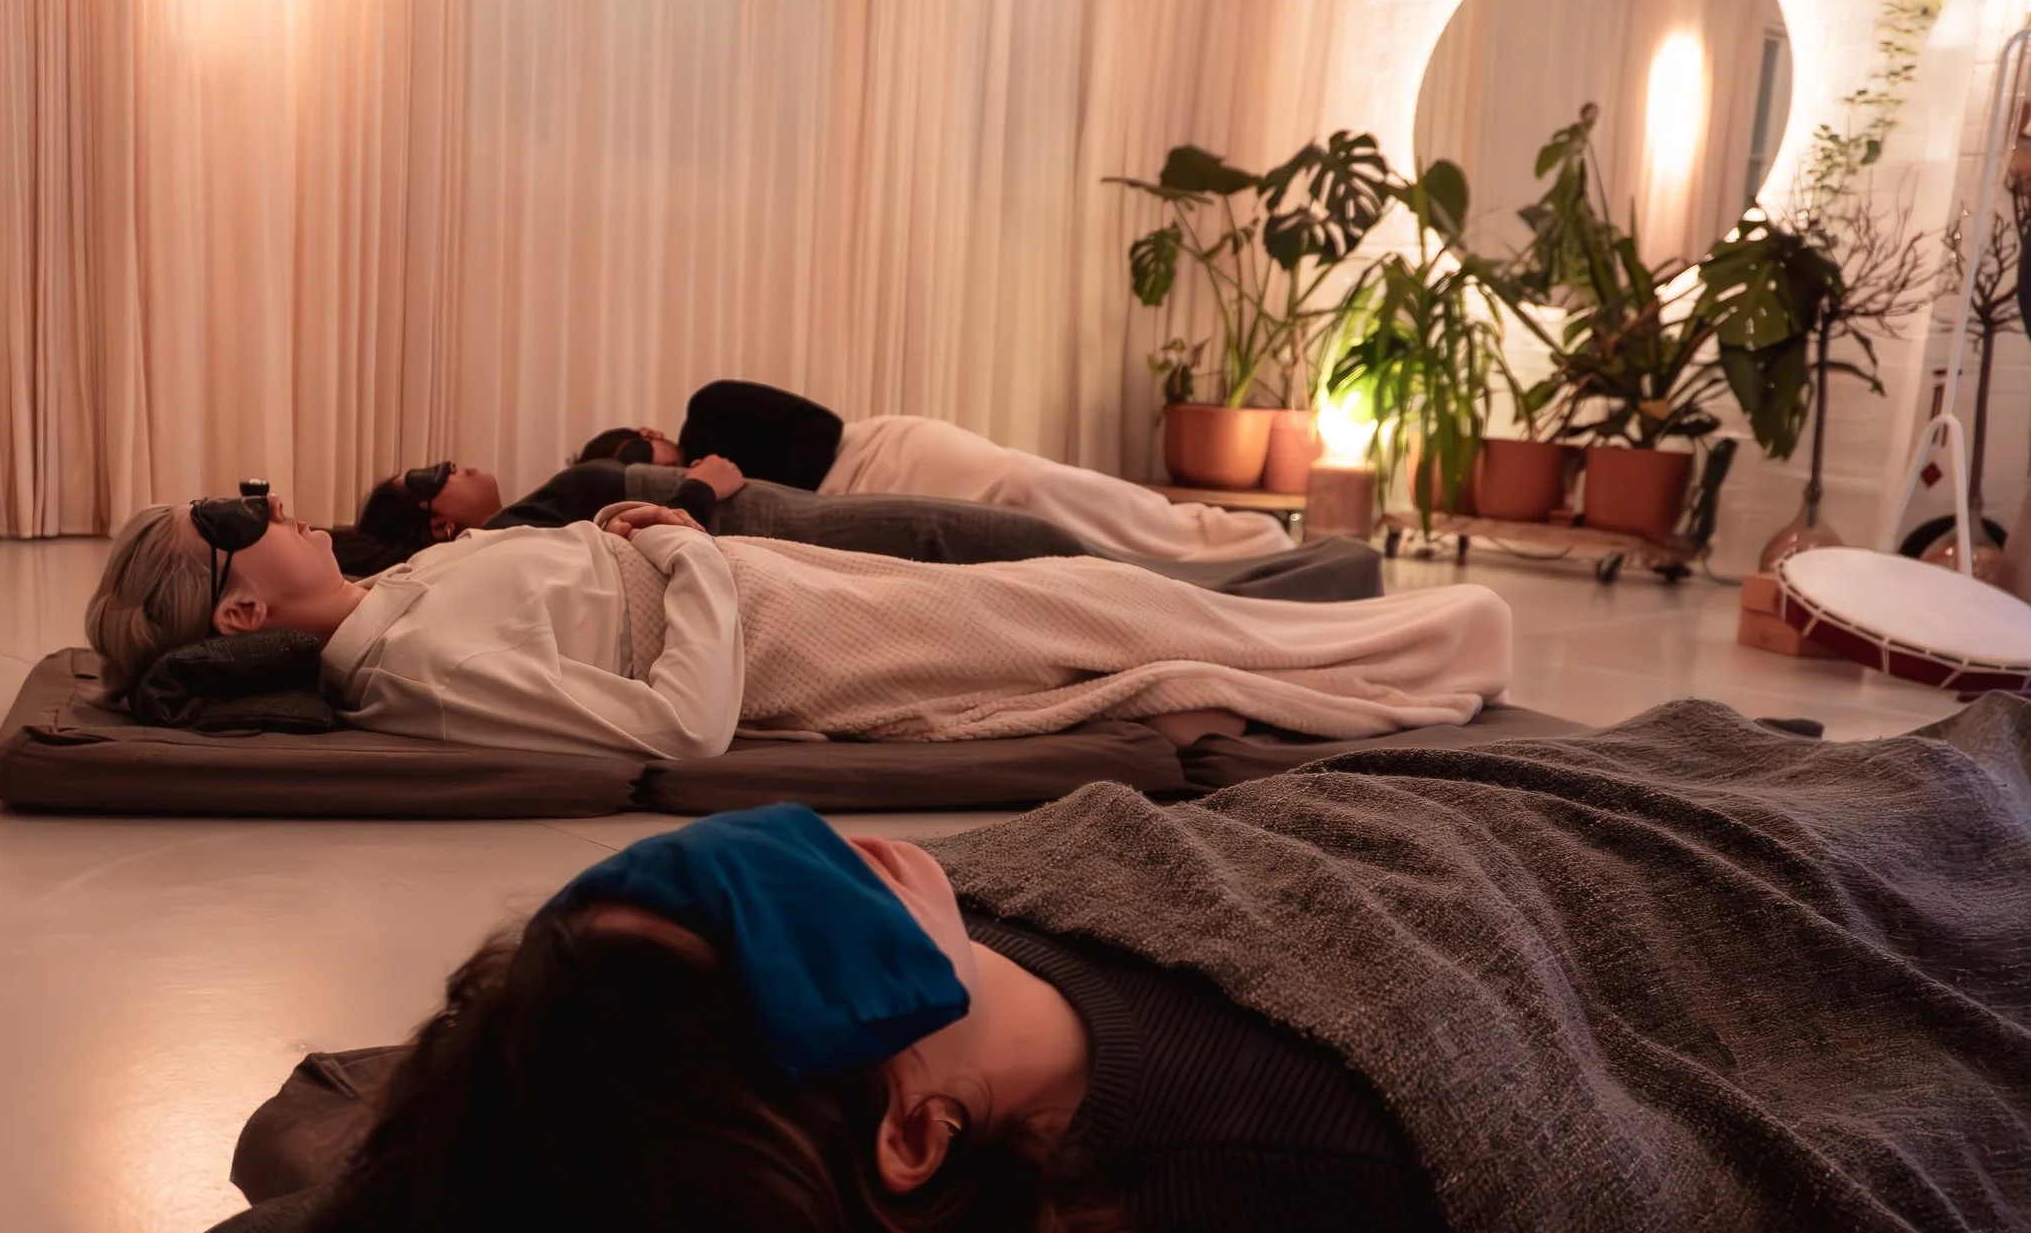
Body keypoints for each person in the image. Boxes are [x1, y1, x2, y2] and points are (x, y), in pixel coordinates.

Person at [297, 703, 2031, 1233]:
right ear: (909, 1133)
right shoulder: (1339, 1139)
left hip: (1582, 789)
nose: (794, 835)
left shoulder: (959, 937)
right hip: (1779, 888)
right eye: (757, 906)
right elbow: (1774, 1223)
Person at [84, 485, 1508, 758]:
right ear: (242, 599)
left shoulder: (400, 594)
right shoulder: (412, 667)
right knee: (1131, 625)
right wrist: (695, 556)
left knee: (1117, 599)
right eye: (230, 516)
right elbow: (676, 727)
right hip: (794, 638)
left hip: (773, 591)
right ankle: (1442, 643)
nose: (265, 495)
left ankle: (1421, 626)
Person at [339, 455, 1382, 602]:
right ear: (435, 521)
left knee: (1065, 551)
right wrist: (699, 486)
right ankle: (1322, 583)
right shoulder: (497, 542)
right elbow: (614, 549)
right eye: (437, 475)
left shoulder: (509, 515)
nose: (460, 461)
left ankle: (1316, 576)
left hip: (781, 514)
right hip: (779, 523)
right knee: (1070, 561)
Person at [583, 379, 1295, 563]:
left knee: (1027, 486)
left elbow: (819, 430)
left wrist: (730, 472)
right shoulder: (693, 503)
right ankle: (1151, 563)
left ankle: (1209, 536)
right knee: (1018, 534)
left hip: (878, 457)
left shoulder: (709, 410)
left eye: (640, 458)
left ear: (652, 435)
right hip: (846, 513)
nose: (648, 472)